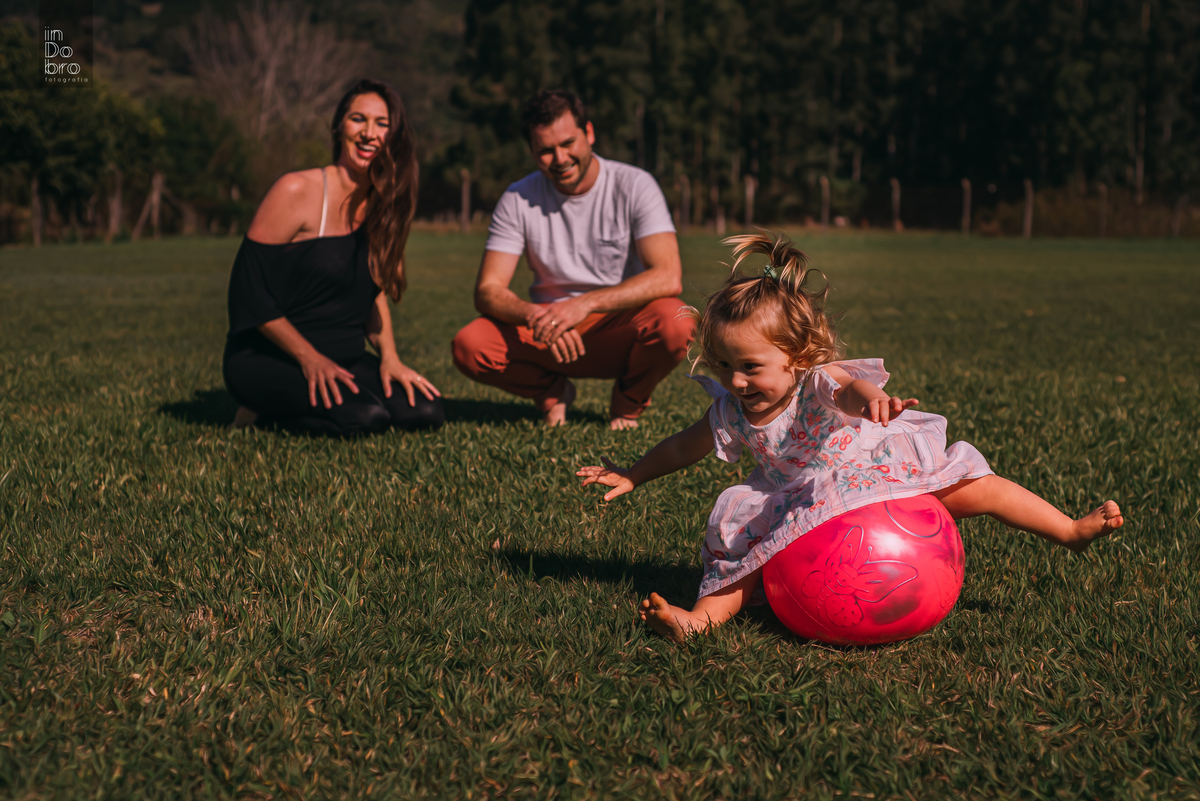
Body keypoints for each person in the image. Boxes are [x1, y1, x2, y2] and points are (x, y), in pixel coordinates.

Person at [577, 232, 1126, 643]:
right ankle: (698, 621)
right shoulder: (731, 410)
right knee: (743, 562)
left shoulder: (815, 382)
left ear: (794, 356)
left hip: (866, 475)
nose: (736, 381)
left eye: (749, 366)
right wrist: (633, 473)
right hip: (795, 499)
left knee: (978, 486)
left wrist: (874, 403)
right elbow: (683, 445)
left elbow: (849, 390)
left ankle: (1068, 530)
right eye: (724, 365)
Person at [452, 90, 692, 430]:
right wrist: (536, 315)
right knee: (470, 345)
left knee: (678, 321)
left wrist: (584, 305)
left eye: (568, 143)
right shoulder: (518, 197)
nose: (560, 158)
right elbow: (487, 291)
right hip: (545, 330)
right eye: (545, 151)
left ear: (589, 133)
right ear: (532, 151)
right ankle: (552, 393)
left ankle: (628, 402)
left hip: (617, 326)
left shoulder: (635, 184)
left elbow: (668, 276)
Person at [224, 79, 443, 437]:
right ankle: (260, 411)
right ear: (339, 127)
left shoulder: (383, 206)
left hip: (343, 358)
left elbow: (372, 292)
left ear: (394, 137)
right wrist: (309, 358)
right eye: (358, 119)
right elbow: (249, 293)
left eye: (382, 123)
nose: (369, 133)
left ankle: (308, 402)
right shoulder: (296, 189)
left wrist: (390, 358)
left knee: (424, 411)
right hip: (268, 357)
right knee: (366, 418)